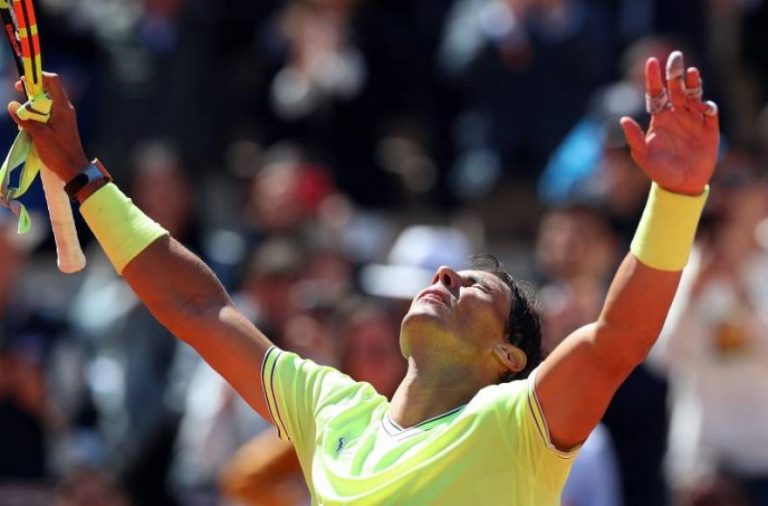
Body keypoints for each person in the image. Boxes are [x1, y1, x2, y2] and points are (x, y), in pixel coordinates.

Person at [8, 50, 719, 504]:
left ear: (509, 358)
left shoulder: (520, 425)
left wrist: (678, 196)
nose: (445, 274)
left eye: (475, 287)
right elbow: (196, 305)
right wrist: (81, 176)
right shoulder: (333, 410)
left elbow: (618, 336)